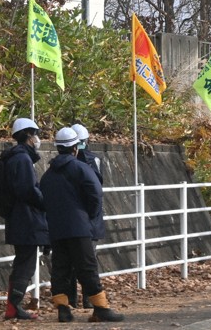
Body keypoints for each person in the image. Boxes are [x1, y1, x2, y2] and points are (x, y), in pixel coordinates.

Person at [40, 127, 125, 322]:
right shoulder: (81, 168)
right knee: (87, 267)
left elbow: (42, 200)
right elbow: (95, 194)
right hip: (79, 227)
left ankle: (63, 308)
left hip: (56, 229)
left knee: (60, 268)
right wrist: (88, 215)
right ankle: (100, 307)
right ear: (75, 148)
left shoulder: (48, 174)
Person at [0, 117, 49, 320]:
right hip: (26, 219)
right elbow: (28, 190)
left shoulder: (15, 157)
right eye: (36, 134)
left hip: (18, 218)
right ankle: (14, 306)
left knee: (23, 262)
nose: (38, 138)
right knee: (25, 263)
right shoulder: (22, 159)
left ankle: (14, 306)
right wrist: (45, 202)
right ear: (28, 135)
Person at [66, 123, 103, 309]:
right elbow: (97, 191)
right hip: (90, 220)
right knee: (89, 262)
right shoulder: (93, 160)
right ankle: (90, 299)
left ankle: (71, 299)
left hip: (71, 219)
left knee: (70, 262)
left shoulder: (63, 163)